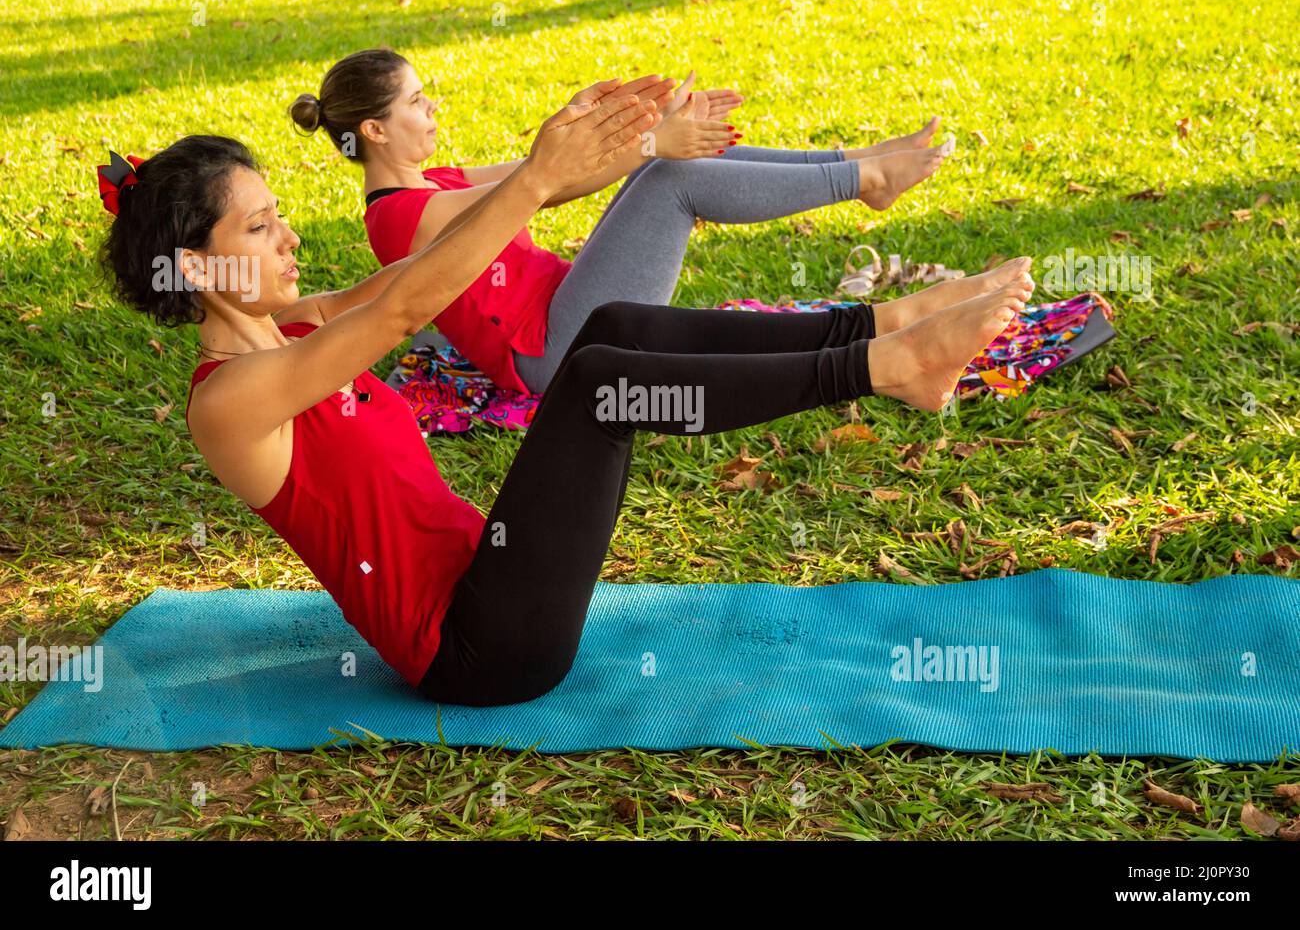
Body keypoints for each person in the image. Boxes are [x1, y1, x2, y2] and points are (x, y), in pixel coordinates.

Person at [98, 85, 1033, 706]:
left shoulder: (291, 322)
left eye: (279, 215)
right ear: (194, 263)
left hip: (500, 579)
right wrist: (539, 175)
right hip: (478, 649)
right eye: (260, 227)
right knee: (592, 379)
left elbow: (414, 273)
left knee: (612, 326)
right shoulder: (229, 402)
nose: (288, 236)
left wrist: (581, 169)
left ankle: (880, 333)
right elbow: (406, 311)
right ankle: (885, 366)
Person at [290, 49, 979, 395]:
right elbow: (545, 187)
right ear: (376, 129)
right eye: (417, 101)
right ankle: (864, 179)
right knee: (671, 175)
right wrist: (654, 143)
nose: (433, 106)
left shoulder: (431, 182)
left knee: (668, 163)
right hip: (551, 355)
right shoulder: (399, 220)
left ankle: (855, 162)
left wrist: (600, 123)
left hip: (564, 309)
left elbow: (535, 164)